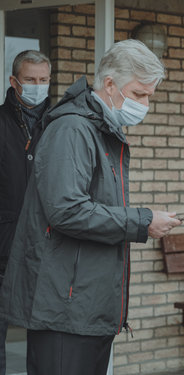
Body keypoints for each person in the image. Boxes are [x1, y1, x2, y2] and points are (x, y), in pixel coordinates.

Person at [0, 39, 181, 375]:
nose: (144, 104)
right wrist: (143, 221)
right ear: (109, 84)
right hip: (64, 311)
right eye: (139, 94)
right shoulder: (73, 129)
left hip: (85, 308)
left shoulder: (99, 130)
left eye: (149, 97)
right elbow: (67, 210)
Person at [0, 50, 51, 375]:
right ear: (14, 82)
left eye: (43, 80)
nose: (37, 86)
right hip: (2, 248)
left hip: (45, 250)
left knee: (44, 343)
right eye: (30, 80)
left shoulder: (60, 124)